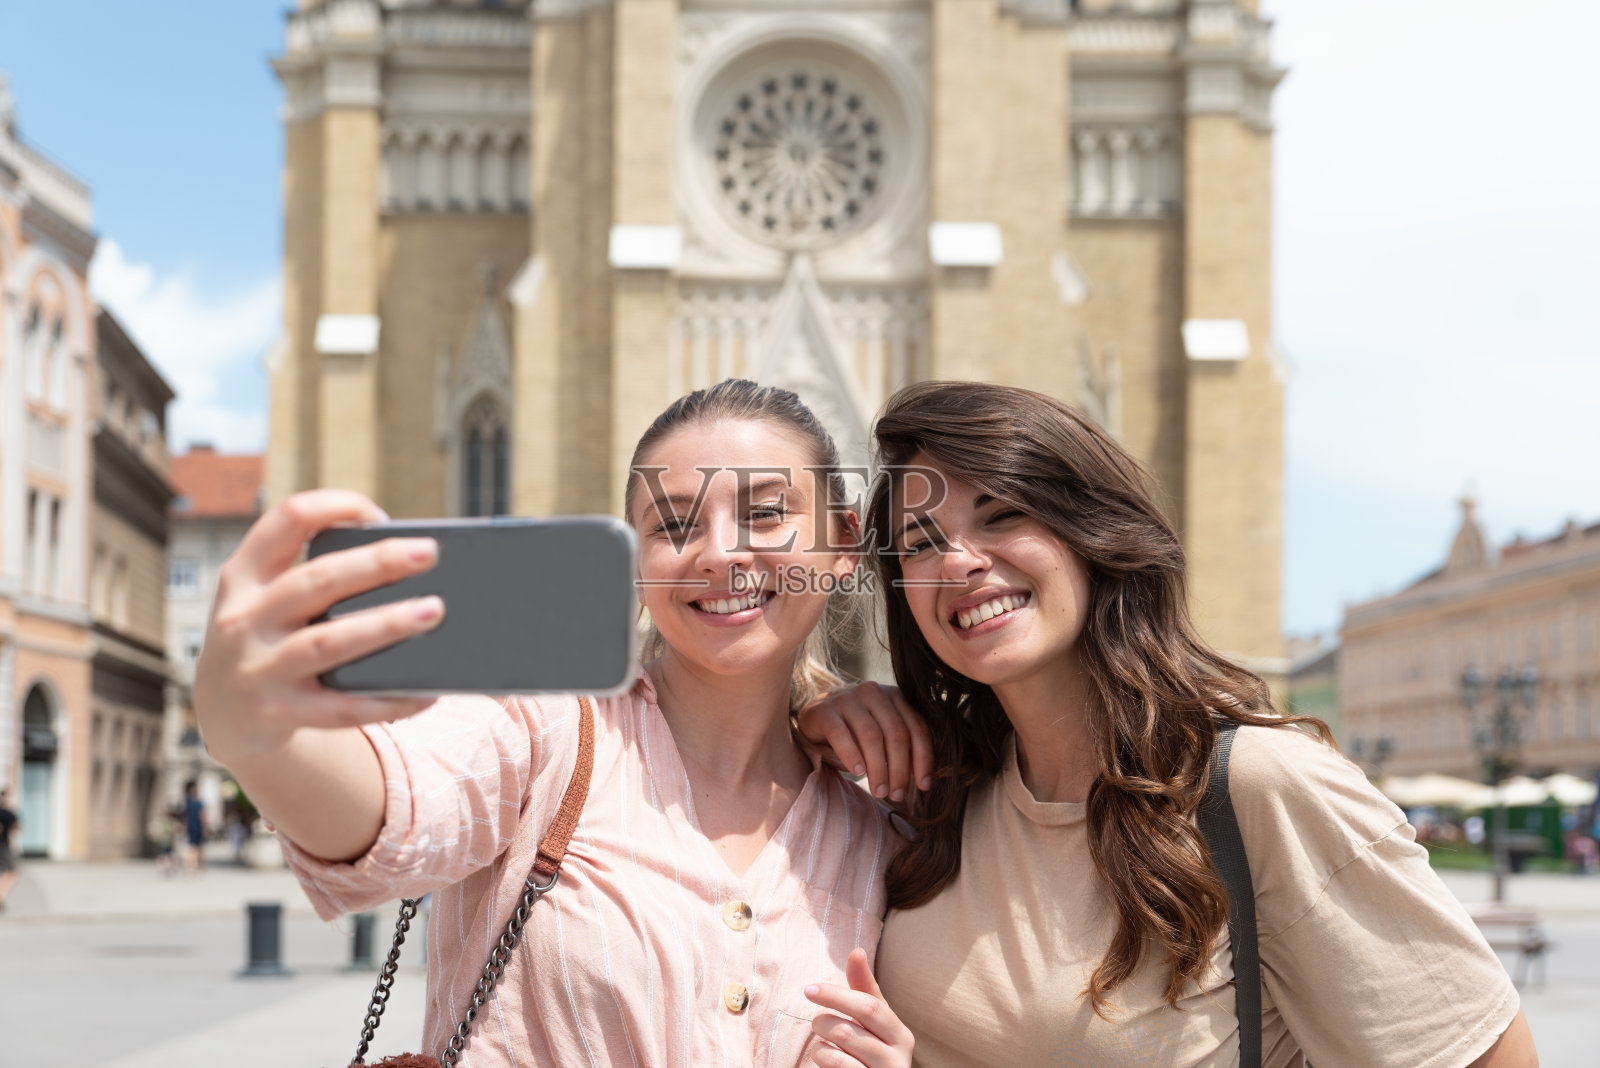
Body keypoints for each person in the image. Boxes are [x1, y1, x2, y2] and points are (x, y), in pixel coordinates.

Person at [801, 381, 1538, 1067]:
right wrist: (802, 713)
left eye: (1004, 515)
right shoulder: (941, 786)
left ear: (1092, 532)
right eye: (921, 544)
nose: (959, 562)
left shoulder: (1256, 783)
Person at [193, 379, 913, 1067]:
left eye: (767, 512)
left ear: (843, 544)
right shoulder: (548, 727)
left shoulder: (879, 831)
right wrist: (261, 737)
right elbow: (391, 809)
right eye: (673, 525)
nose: (721, 552)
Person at [180, 781, 207, 875]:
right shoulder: (198, 803)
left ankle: (190, 866)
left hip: (191, 828)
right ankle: (194, 866)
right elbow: (202, 816)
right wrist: (205, 828)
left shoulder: (187, 802)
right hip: (196, 828)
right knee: (196, 848)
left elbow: (185, 817)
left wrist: (184, 827)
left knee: (192, 847)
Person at [0, 788, 19, 910]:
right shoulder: (8, 813)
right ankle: (1, 896)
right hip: (3, 846)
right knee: (12, 873)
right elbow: (17, 828)